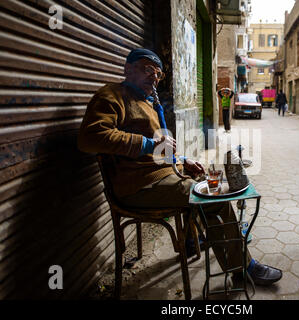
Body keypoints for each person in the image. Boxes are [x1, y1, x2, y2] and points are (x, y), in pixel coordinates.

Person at [78, 48, 282, 287]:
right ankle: (243, 267)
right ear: (128, 69)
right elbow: (90, 138)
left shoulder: (148, 102)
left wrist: (182, 160)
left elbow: (159, 149)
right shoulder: (111, 96)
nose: (154, 77)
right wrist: (149, 144)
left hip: (160, 175)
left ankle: (195, 242)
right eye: (147, 70)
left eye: (158, 74)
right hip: (140, 185)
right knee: (214, 199)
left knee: (205, 178)